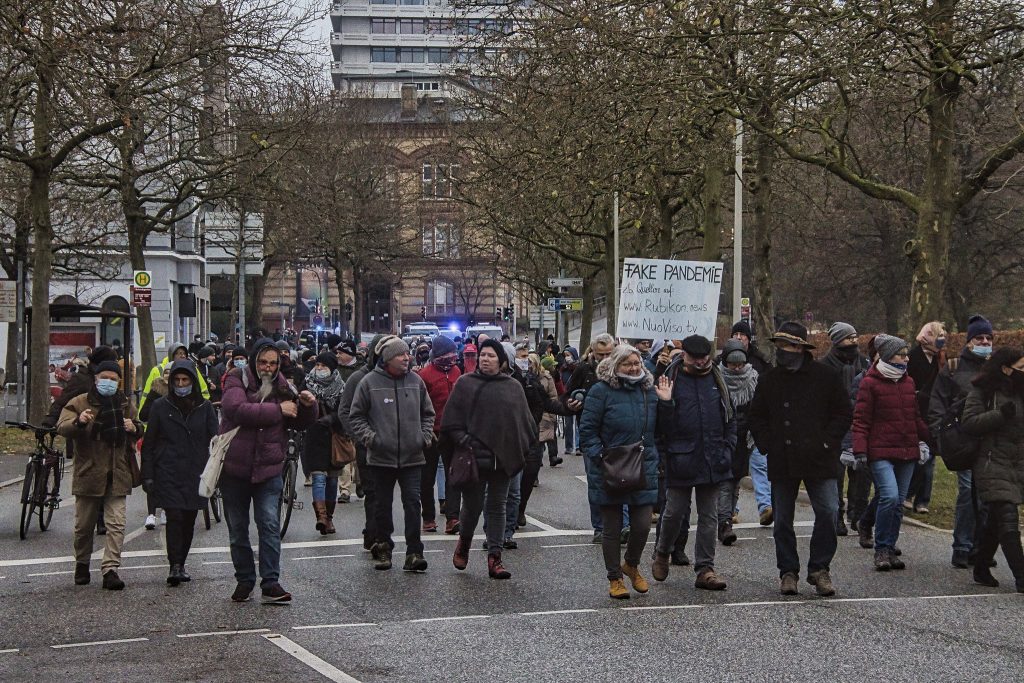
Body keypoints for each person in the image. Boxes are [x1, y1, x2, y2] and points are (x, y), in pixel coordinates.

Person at [749, 321, 852, 597]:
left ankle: (820, 568)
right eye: (779, 345)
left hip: (819, 457)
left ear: (800, 348)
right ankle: (788, 571)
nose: (782, 351)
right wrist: (767, 442)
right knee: (782, 519)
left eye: (788, 345)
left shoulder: (825, 376)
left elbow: (843, 413)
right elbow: (756, 415)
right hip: (783, 457)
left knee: (829, 511)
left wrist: (828, 441)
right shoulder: (770, 379)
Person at [219, 339, 318, 603]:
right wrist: (277, 410)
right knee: (238, 528)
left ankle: (271, 581)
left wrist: (309, 405)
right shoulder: (235, 379)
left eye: (273, 363)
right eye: (263, 362)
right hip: (235, 468)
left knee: (269, 524)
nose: (268, 367)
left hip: (269, 467)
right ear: (254, 361)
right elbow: (236, 410)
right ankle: (244, 580)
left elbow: (299, 420)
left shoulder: (284, 384)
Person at [441, 340, 535, 579]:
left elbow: (524, 423)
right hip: (474, 460)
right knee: (472, 507)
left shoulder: (512, 387)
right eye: (483, 355)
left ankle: (495, 557)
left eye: (491, 355)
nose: (485, 359)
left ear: (501, 360)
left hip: (501, 460)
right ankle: (464, 543)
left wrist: (518, 448)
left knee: (497, 507)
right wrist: (465, 441)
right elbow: (451, 421)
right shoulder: (465, 384)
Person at [651, 335, 736, 591]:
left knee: (709, 516)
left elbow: (730, 418)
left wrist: (727, 448)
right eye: (695, 358)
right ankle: (662, 551)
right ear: (684, 355)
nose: (700, 363)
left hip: (713, 458)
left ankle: (705, 569)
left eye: (704, 358)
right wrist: (665, 404)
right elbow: (659, 426)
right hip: (681, 458)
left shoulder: (718, 380)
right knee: (674, 512)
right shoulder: (670, 379)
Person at [349, 336, 435, 573]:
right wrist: (371, 439)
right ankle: (384, 548)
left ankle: (415, 552)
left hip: (412, 457)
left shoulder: (416, 382)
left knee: (412, 504)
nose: (406, 358)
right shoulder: (369, 383)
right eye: (401, 355)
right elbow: (356, 416)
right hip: (381, 458)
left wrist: (424, 437)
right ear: (387, 358)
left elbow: (428, 413)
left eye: (407, 354)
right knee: (382, 505)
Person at [579, 345, 659, 598]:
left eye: (637, 363)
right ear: (616, 365)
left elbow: (662, 427)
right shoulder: (600, 391)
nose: (634, 367)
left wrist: (668, 403)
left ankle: (631, 564)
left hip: (643, 465)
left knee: (643, 524)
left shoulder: (649, 391)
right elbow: (587, 430)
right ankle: (615, 578)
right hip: (611, 466)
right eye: (627, 363)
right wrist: (599, 456)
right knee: (612, 528)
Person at [56, 361, 140, 590]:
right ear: (95, 379)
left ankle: (110, 569)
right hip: (89, 472)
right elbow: (62, 426)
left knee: (117, 524)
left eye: (114, 379)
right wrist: (79, 422)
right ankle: (82, 563)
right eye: (105, 377)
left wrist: (134, 427)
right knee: (84, 527)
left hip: (117, 472)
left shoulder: (125, 403)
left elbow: (139, 426)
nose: (109, 382)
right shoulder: (80, 402)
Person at [851, 335, 931, 571]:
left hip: (907, 450)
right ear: (887, 356)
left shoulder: (908, 382)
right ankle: (881, 549)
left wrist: (931, 438)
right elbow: (861, 419)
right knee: (889, 496)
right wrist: (860, 450)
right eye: (901, 354)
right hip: (880, 450)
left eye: (906, 354)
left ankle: (889, 545)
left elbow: (915, 417)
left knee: (897, 504)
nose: (906, 358)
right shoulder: (870, 383)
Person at [140, 359, 218, 586]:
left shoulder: (205, 408)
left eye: (185, 380)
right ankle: (174, 564)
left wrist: (216, 473)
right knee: (174, 517)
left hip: (196, 472)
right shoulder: (161, 406)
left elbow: (215, 442)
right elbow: (150, 443)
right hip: (169, 470)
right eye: (177, 380)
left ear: (193, 381)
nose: (181, 384)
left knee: (189, 518)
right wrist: (148, 474)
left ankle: (181, 561)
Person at [929, 314, 993, 568]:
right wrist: (940, 435)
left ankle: (982, 546)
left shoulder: (998, 368)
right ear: (969, 341)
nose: (985, 342)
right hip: (962, 441)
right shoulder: (954, 367)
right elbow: (937, 402)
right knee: (967, 492)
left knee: (986, 496)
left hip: (989, 441)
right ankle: (962, 545)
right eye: (980, 338)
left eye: (989, 338)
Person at [961, 347, 1024, 592]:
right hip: (991, 461)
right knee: (1008, 519)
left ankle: (981, 563)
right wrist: (999, 415)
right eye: (1020, 368)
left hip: (1017, 464)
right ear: (1005, 369)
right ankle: (1021, 576)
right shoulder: (983, 390)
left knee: (995, 521)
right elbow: (969, 423)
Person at [565, 333, 618, 543]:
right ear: (592, 352)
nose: (604, 358)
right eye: (600, 354)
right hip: (591, 434)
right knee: (596, 482)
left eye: (608, 354)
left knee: (621, 480)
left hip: (617, 435)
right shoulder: (583, 369)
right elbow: (567, 394)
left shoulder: (622, 369)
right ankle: (599, 527)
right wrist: (571, 404)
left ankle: (620, 526)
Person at [336, 334, 388, 551]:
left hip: (393, 447)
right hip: (367, 446)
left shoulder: (399, 377)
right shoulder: (359, 378)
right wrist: (360, 437)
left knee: (385, 495)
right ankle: (374, 536)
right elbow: (345, 411)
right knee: (374, 493)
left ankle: (375, 532)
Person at [821, 322, 871, 536]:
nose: (854, 341)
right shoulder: (825, 366)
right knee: (837, 475)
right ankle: (838, 515)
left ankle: (857, 514)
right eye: (849, 337)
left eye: (855, 336)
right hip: (835, 427)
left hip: (859, 425)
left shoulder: (863, 363)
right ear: (837, 340)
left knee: (861, 473)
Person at [416, 335, 462, 534]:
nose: (452, 358)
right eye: (448, 354)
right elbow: (419, 407)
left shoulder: (456, 371)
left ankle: (453, 517)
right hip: (431, 433)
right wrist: (423, 430)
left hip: (452, 432)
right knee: (427, 478)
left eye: (453, 354)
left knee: (454, 476)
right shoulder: (425, 376)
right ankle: (428, 517)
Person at [717, 338, 759, 542]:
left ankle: (728, 517)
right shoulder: (716, 378)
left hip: (744, 437)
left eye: (740, 363)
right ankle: (724, 523)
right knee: (725, 480)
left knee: (735, 481)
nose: (736, 368)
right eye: (732, 364)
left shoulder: (753, 378)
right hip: (723, 436)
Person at [302, 352, 347, 533]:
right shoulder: (307, 383)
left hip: (333, 437)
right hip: (313, 437)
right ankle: (321, 517)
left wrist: (331, 419)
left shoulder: (341, 387)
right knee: (319, 477)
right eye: (318, 365)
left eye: (324, 366)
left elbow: (345, 411)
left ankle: (329, 517)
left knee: (332, 480)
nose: (319, 369)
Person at [906, 321, 946, 513]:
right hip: (916, 409)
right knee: (918, 456)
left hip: (933, 410)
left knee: (929, 459)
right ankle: (910, 493)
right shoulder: (913, 356)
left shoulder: (940, 358)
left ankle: (922, 499)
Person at [139, 341, 210, 415]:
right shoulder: (157, 370)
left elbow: (203, 391)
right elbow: (146, 397)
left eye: (184, 353)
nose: (182, 356)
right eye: (179, 353)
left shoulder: (192, 369)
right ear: (172, 355)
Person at [537, 355, 564, 467]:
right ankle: (537, 459)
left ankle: (553, 456)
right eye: (552, 366)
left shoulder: (549, 378)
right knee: (539, 437)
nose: (554, 368)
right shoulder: (533, 377)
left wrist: (554, 409)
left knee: (551, 434)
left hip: (548, 409)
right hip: (537, 411)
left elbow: (554, 394)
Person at [560, 346, 581, 456]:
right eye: (565, 356)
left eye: (569, 355)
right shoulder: (563, 368)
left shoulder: (579, 367)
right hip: (567, 398)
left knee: (579, 424)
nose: (567, 358)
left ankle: (578, 446)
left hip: (578, 397)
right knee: (568, 424)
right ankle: (569, 446)